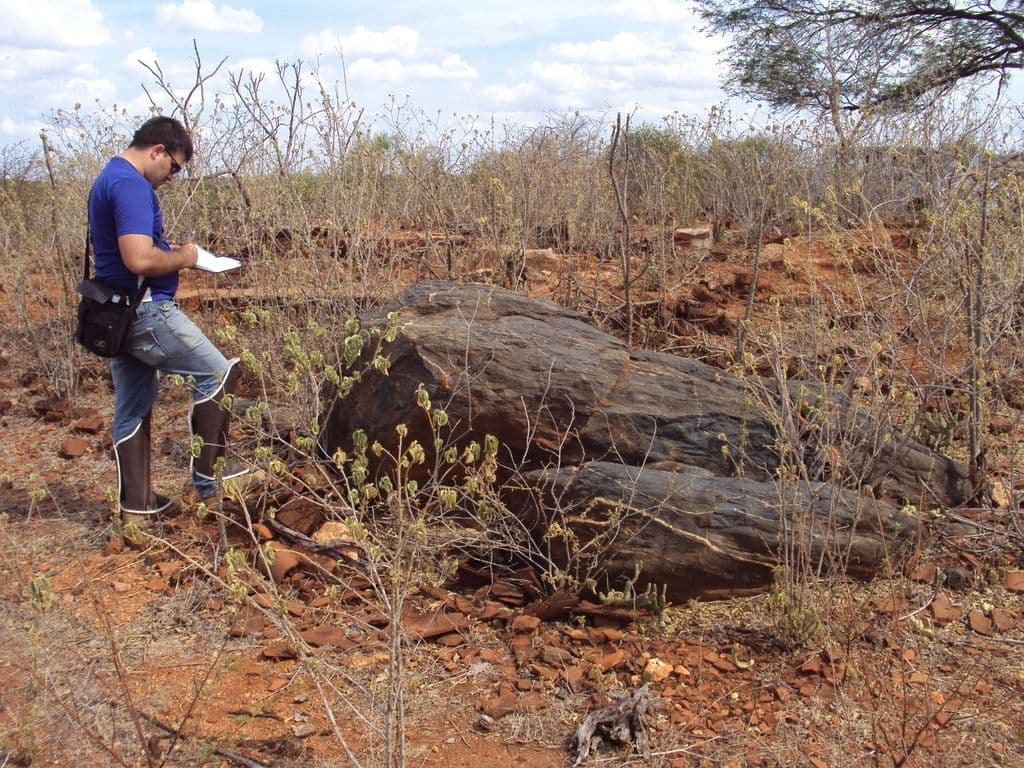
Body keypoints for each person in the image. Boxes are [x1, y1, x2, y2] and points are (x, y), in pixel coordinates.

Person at [87, 115, 252, 525]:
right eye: (174, 166)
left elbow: (132, 252)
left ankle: (138, 506)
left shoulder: (109, 177)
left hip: (117, 313)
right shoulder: (130, 185)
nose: (173, 176)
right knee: (219, 375)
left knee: (133, 406)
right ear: (157, 150)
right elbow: (139, 259)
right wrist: (189, 256)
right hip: (145, 312)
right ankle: (211, 482)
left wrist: (169, 249)